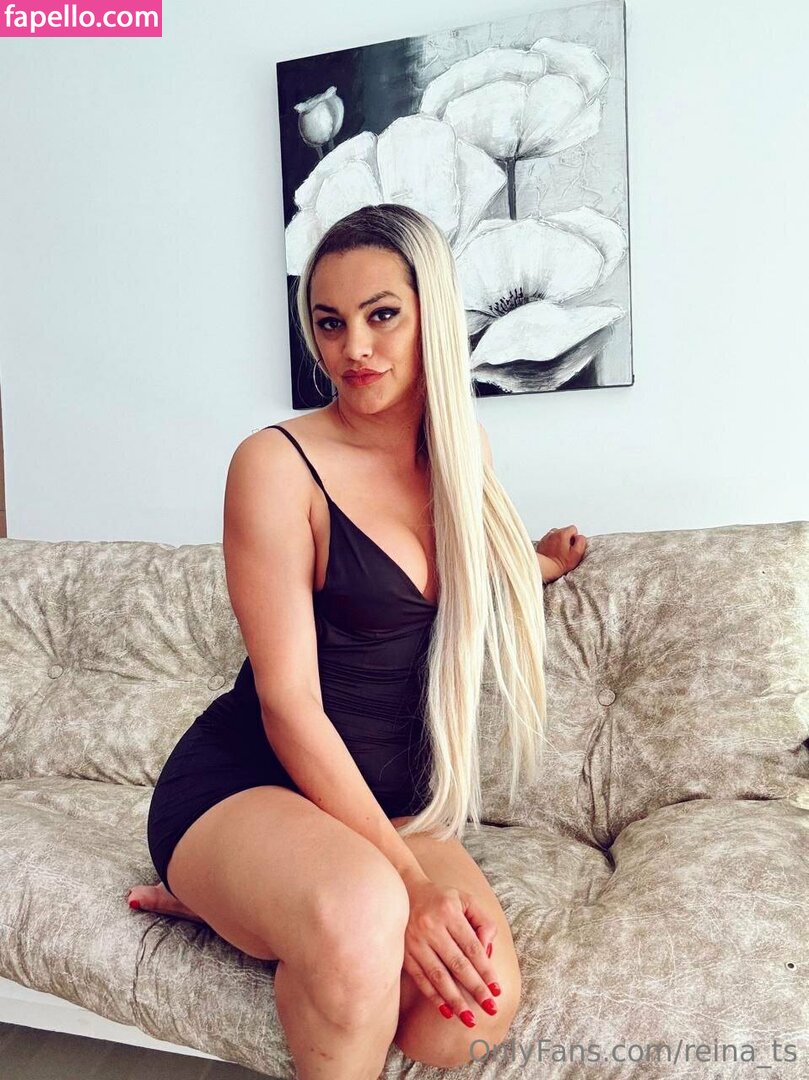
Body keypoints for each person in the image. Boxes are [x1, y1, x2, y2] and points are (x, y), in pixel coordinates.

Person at [127, 203, 587, 1077]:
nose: (354, 349)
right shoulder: (275, 464)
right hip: (249, 783)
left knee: (467, 1019)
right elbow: (287, 703)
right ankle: (247, 889)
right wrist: (408, 887)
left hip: (394, 803)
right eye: (330, 323)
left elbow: (455, 573)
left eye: (382, 316)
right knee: (362, 912)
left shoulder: (463, 451)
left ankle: (265, 914)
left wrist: (533, 565)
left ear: (430, 316)